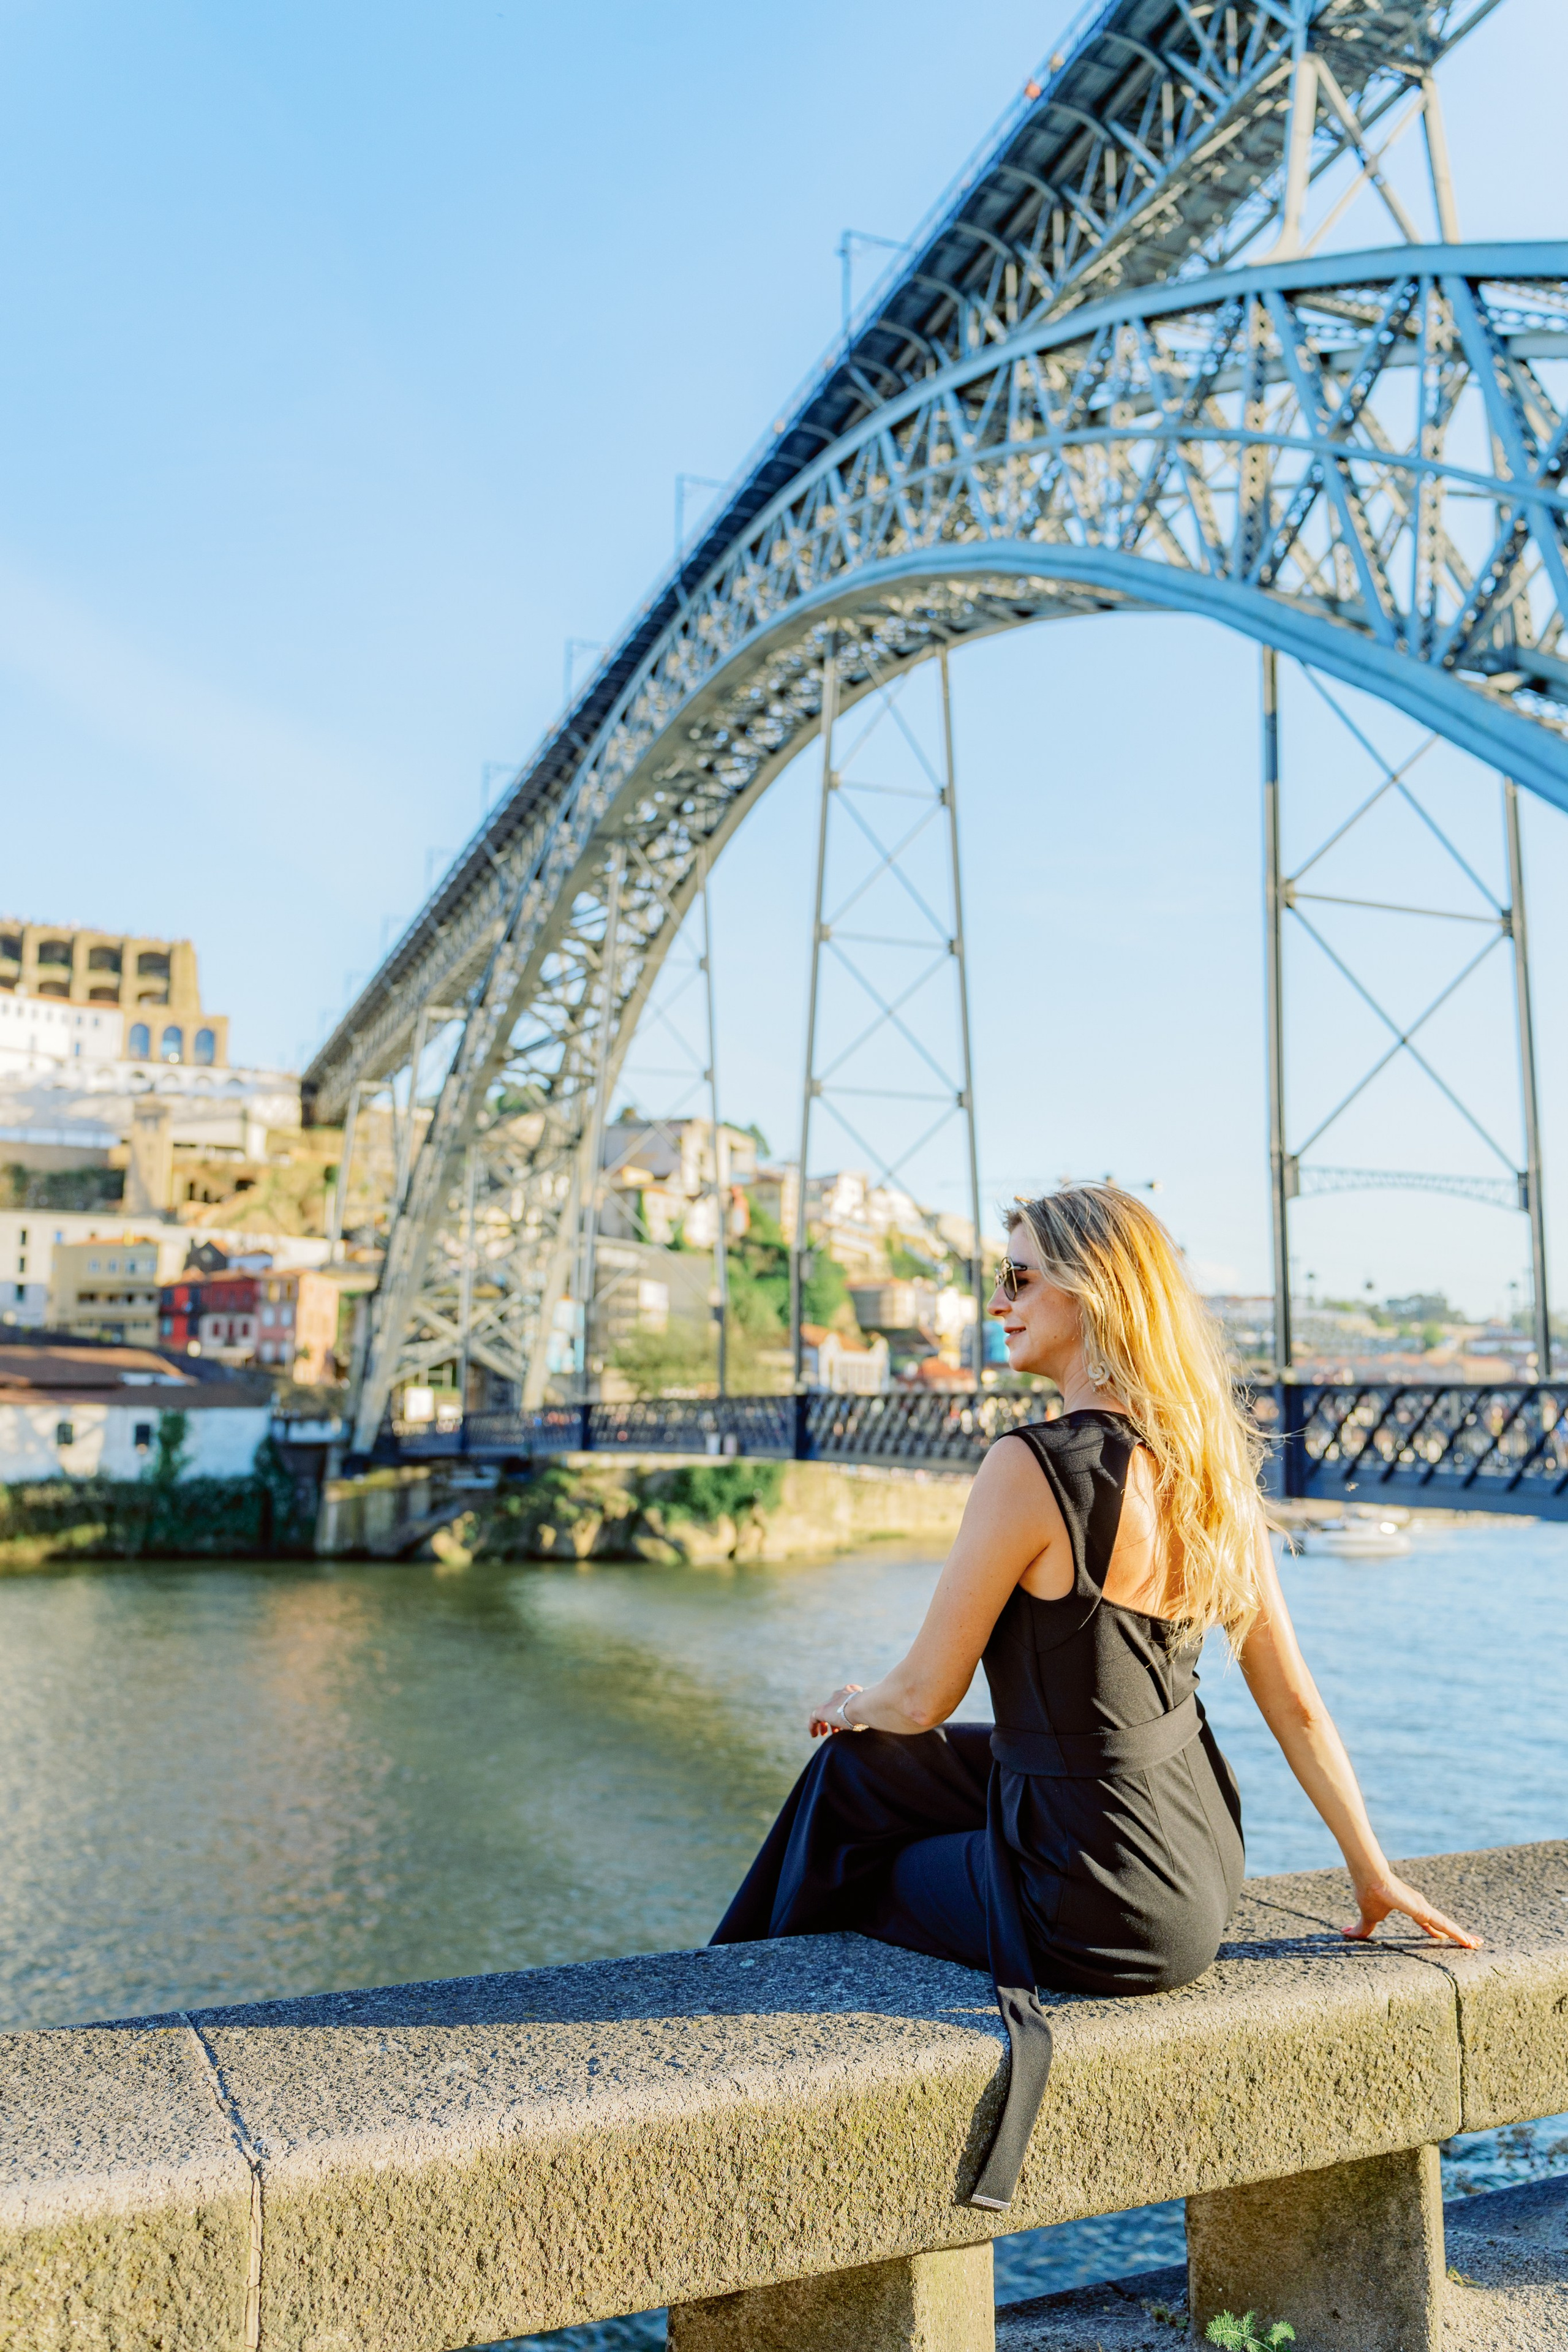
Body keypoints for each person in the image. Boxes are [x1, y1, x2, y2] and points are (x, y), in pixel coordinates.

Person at [711, 1183, 1476, 2208]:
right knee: (864, 1772)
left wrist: (854, 1701)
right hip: (1196, 1858)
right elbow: (1293, 1701)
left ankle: (727, 2029)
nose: (1000, 1302)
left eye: (1019, 1278)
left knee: (854, 1852)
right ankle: (729, 1985)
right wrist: (1371, 1873)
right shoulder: (1207, 1465)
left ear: (1095, 1292)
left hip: (1093, 1904)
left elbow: (925, 1694)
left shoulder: (1028, 1466)